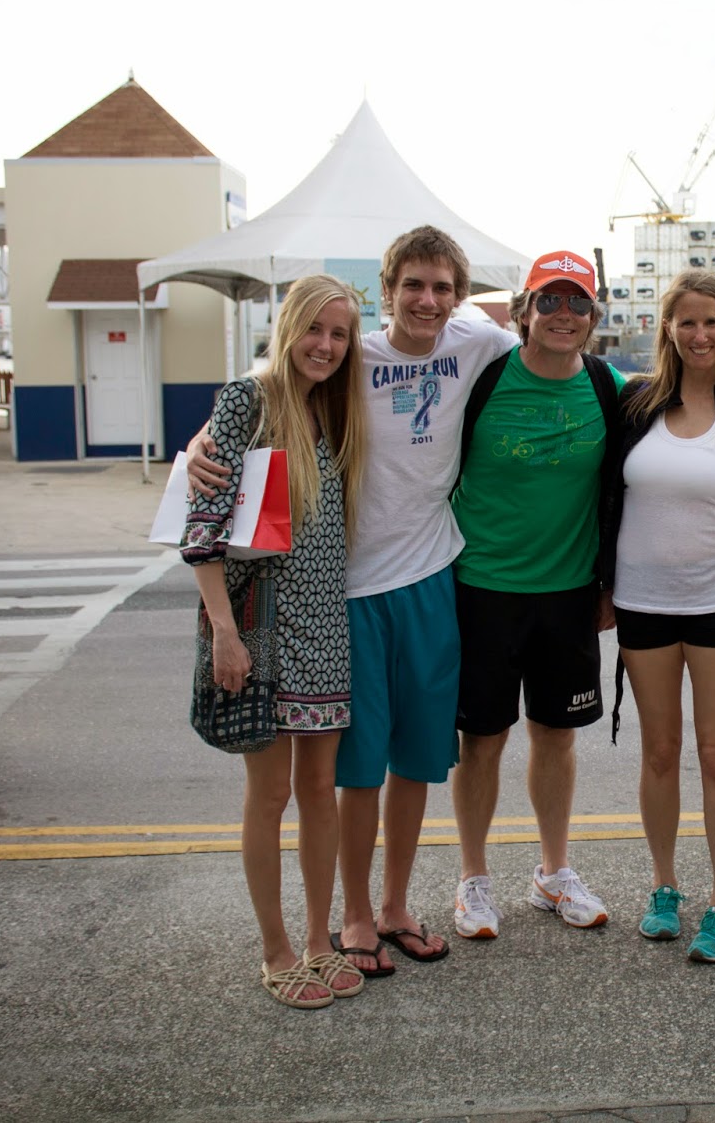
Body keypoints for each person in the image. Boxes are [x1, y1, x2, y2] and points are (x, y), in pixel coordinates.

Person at [186, 227, 521, 979]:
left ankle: (396, 906)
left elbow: (557, 355)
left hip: (432, 577)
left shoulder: (477, 342)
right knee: (357, 770)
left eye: (442, 287)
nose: (427, 300)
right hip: (347, 595)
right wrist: (204, 438)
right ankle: (356, 917)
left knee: (418, 760)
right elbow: (265, 389)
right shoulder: (351, 356)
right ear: (388, 290)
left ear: (458, 296)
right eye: (413, 285)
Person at [182, 274, 369, 1007]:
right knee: (270, 793)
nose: (325, 345)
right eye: (314, 329)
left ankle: (320, 940)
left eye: (339, 333)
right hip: (256, 623)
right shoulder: (249, 400)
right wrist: (225, 636)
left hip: (323, 625)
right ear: (288, 328)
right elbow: (202, 529)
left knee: (320, 789)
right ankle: (276, 950)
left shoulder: (338, 408)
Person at [601, 271, 715, 963]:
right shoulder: (635, 403)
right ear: (668, 329)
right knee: (658, 751)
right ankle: (663, 888)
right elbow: (605, 497)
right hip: (642, 606)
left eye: (712, 321)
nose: (700, 334)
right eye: (687, 321)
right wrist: (602, 587)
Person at [448, 250, 623, 940]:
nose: (563, 314)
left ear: (593, 318)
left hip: (568, 594)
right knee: (482, 740)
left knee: (555, 735)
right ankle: (473, 878)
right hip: (482, 588)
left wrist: (611, 581)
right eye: (549, 300)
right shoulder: (484, 378)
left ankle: (553, 872)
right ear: (524, 312)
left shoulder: (609, 387)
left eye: (578, 302)